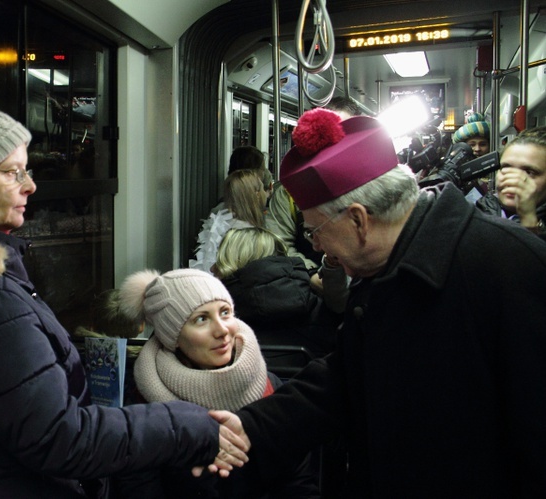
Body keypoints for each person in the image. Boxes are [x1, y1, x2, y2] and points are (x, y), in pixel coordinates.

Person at [0, 103, 248, 498]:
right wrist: (190, 425)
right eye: (12, 173)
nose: (30, 186)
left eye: (28, 170)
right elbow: (61, 439)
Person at [203, 107, 546, 498]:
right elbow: (343, 380)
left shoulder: (513, 267)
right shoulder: (384, 273)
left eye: (315, 231)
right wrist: (248, 428)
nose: (315, 245)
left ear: (359, 220)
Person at [113, 268, 318, 499]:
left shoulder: (270, 388)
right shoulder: (144, 405)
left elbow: (299, 482)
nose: (222, 330)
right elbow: (139, 488)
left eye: (225, 312)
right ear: (173, 337)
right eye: (201, 319)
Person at [265, 97, 362, 272]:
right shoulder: (289, 193)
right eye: (327, 133)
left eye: (343, 132)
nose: (335, 141)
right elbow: (277, 243)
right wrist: (313, 273)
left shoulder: (369, 183)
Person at [213, 227, 337, 360]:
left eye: (221, 259)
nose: (212, 268)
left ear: (233, 261)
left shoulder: (218, 316)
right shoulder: (322, 306)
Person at [190, 169, 269, 274]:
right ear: (257, 194)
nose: (266, 193)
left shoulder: (222, 225)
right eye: (263, 188)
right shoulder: (245, 233)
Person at [476, 125, 546, 238]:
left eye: (529, 172)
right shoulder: (478, 212)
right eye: (506, 168)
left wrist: (529, 222)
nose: (512, 179)